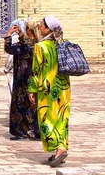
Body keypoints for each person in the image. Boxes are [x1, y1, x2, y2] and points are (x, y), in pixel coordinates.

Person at [28, 16, 71, 168]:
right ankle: (61, 149)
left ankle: (59, 148)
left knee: (46, 118)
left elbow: (36, 71)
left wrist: (32, 90)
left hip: (46, 88)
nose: (39, 27)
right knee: (61, 118)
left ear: (49, 29)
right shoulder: (63, 44)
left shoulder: (41, 47)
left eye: (42, 25)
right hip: (64, 88)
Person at [3, 18, 40, 141]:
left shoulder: (38, 45)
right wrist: (8, 36)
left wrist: (22, 36)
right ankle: (20, 132)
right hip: (20, 80)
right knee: (19, 106)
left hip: (32, 80)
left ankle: (35, 132)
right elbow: (10, 49)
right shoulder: (22, 44)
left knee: (32, 107)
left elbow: (31, 48)